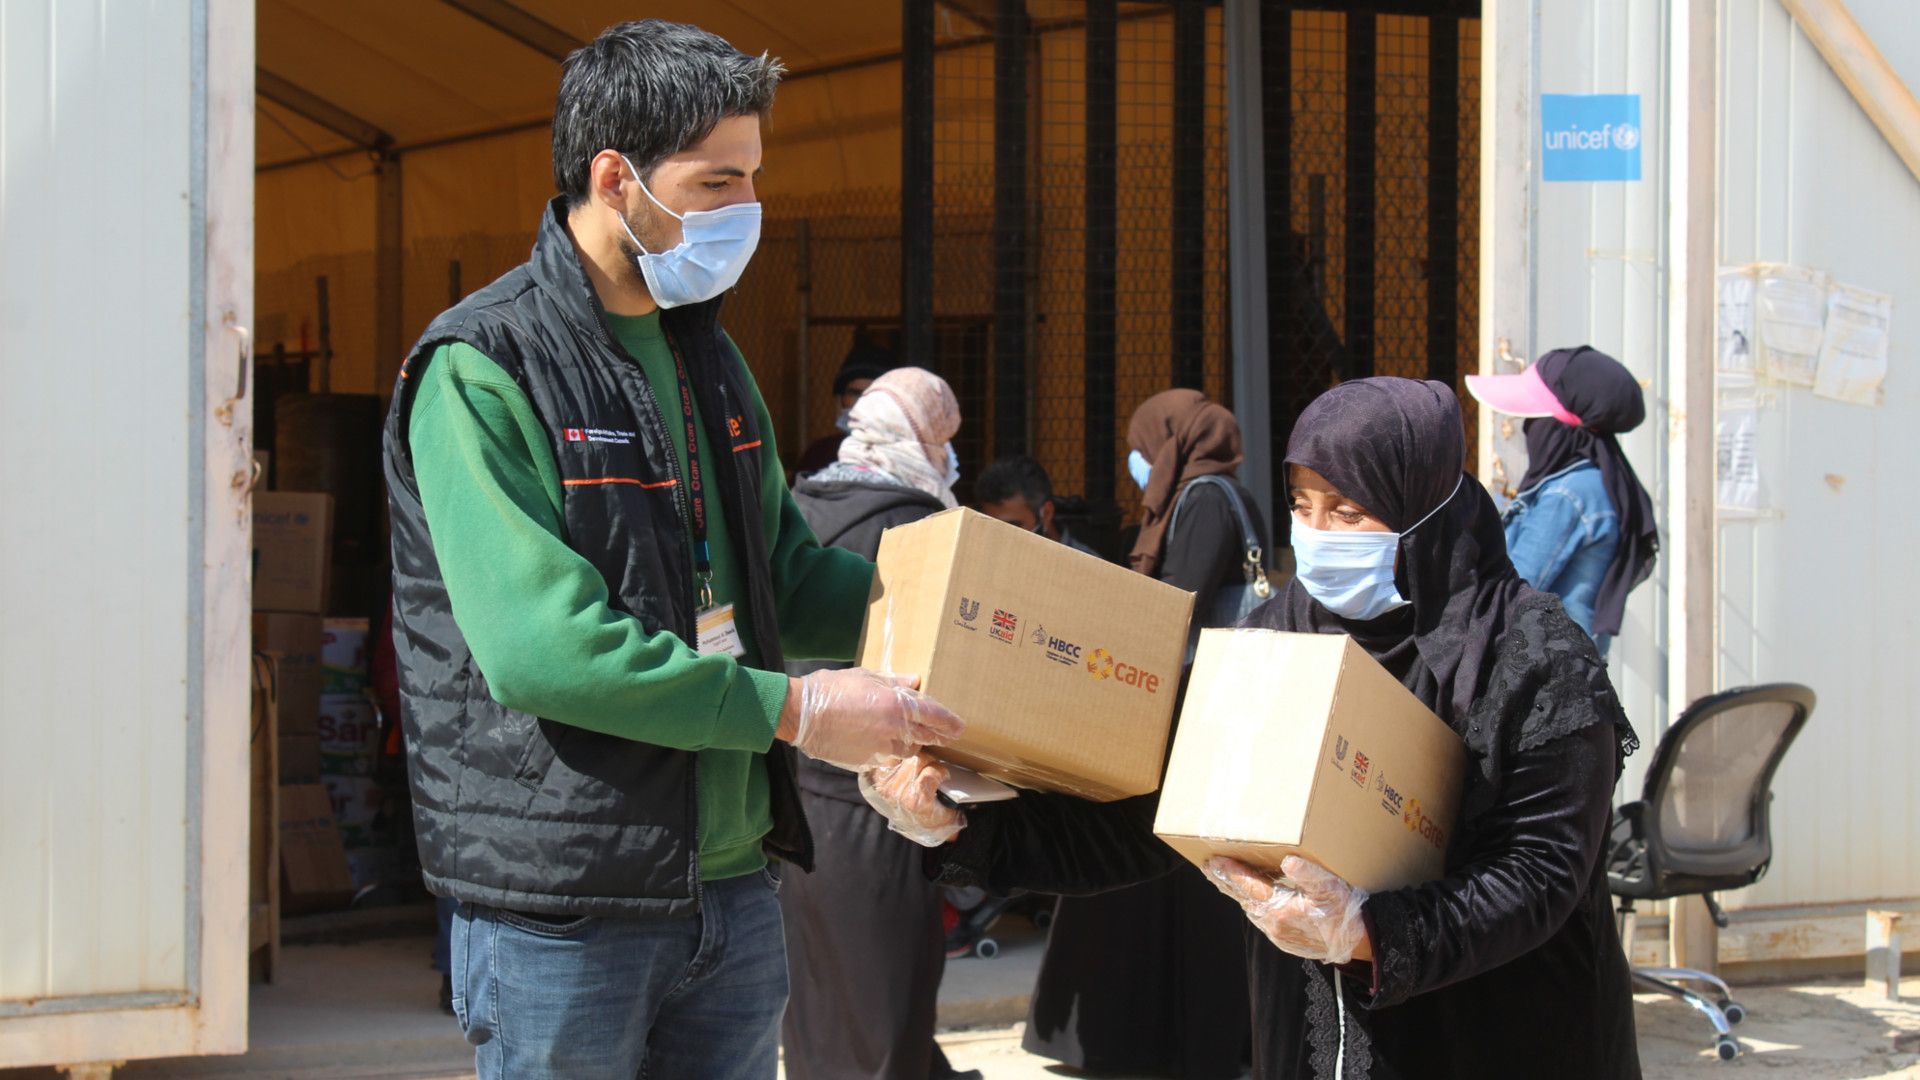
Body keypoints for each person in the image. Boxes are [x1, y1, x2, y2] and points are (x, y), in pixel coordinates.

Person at [380, 21, 962, 1079]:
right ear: (617, 178)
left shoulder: (709, 352)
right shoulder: (481, 368)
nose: (747, 209)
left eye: (753, 178)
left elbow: (784, 574)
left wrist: (959, 618)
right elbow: (540, 650)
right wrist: (799, 711)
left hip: (731, 884)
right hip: (567, 901)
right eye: (717, 181)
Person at [862, 377, 1644, 1080]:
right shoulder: (1279, 639)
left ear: (1425, 506)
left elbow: (1542, 873)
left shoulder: (1532, 655)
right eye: (1303, 506)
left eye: (1349, 509)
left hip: (1503, 1038)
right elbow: (1147, 819)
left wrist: (1371, 932)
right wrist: (958, 824)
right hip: (1317, 1040)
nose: (1320, 533)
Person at [1014, 389, 1261, 1078]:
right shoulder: (1207, 497)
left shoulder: (1206, 499)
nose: (1138, 460)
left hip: (1190, 716)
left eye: (1145, 445)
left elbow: (1175, 610)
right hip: (1192, 713)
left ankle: (1171, 1035)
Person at [779, 367, 979, 1080]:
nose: (951, 456)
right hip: (884, 793)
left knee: (819, 996)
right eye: (943, 439)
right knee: (888, 993)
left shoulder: (801, 503)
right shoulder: (913, 523)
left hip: (792, 786)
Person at [1467, 346, 1659, 656]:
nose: (1527, 428)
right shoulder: (1591, 481)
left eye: (1534, 418)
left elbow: (1510, 590)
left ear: (1562, 426)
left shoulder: (1568, 495)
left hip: (1549, 685)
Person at [976, 454, 1101, 557]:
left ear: (1046, 513)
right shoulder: (981, 559)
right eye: (992, 527)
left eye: (1013, 527)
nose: (1001, 538)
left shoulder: (1087, 568)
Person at [795, 344, 892, 476]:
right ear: (840, 400)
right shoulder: (820, 455)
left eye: (872, 393)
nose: (862, 402)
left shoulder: (903, 458)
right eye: (855, 393)